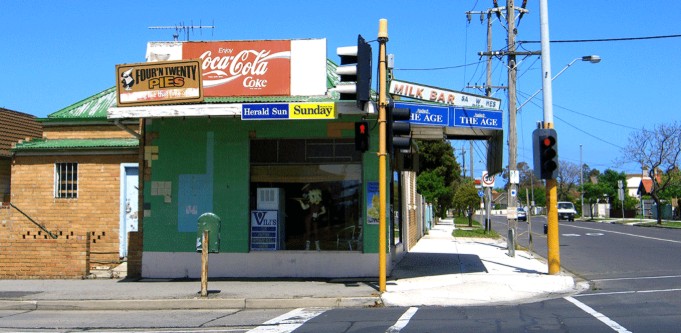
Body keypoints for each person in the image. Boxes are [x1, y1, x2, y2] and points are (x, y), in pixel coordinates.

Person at [294, 184, 326, 250]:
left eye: (316, 195)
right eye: (313, 196)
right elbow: (304, 208)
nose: (315, 197)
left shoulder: (320, 204)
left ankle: (317, 247)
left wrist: (319, 214)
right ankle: (308, 247)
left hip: (315, 218)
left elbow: (324, 211)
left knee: (316, 232)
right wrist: (301, 202)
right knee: (308, 232)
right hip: (309, 218)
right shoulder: (310, 203)